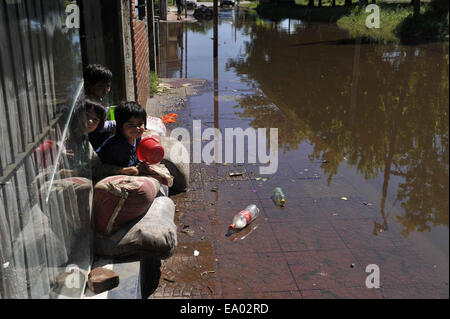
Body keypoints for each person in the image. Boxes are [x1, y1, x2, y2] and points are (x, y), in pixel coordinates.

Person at [97, 101, 147, 176]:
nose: (137, 128)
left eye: (140, 124)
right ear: (120, 126)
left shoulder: (137, 138)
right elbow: (126, 169)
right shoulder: (116, 147)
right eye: (131, 125)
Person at [83, 64, 116, 151]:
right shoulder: (87, 102)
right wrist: (114, 124)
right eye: (100, 86)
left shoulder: (98, 98)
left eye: (108, 86)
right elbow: (96, 126)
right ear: (89, 84)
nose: (105, 90)